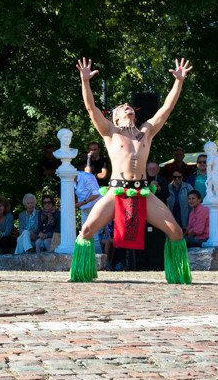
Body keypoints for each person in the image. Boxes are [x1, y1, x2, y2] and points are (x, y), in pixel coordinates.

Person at [71, 56, 193, 284]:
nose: (127, 106)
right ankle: (81, 274)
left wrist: (179, 81)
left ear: (135, 115)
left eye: (129, 106)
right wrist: (85, 81)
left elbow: (167, 108)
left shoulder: (146, 131)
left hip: (143, 192)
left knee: (176, 232)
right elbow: (90, 108)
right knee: (86, 231)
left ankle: (178, 275)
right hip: (115, 192)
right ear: (116, 117)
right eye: (121, 107)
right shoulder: (110, 132)